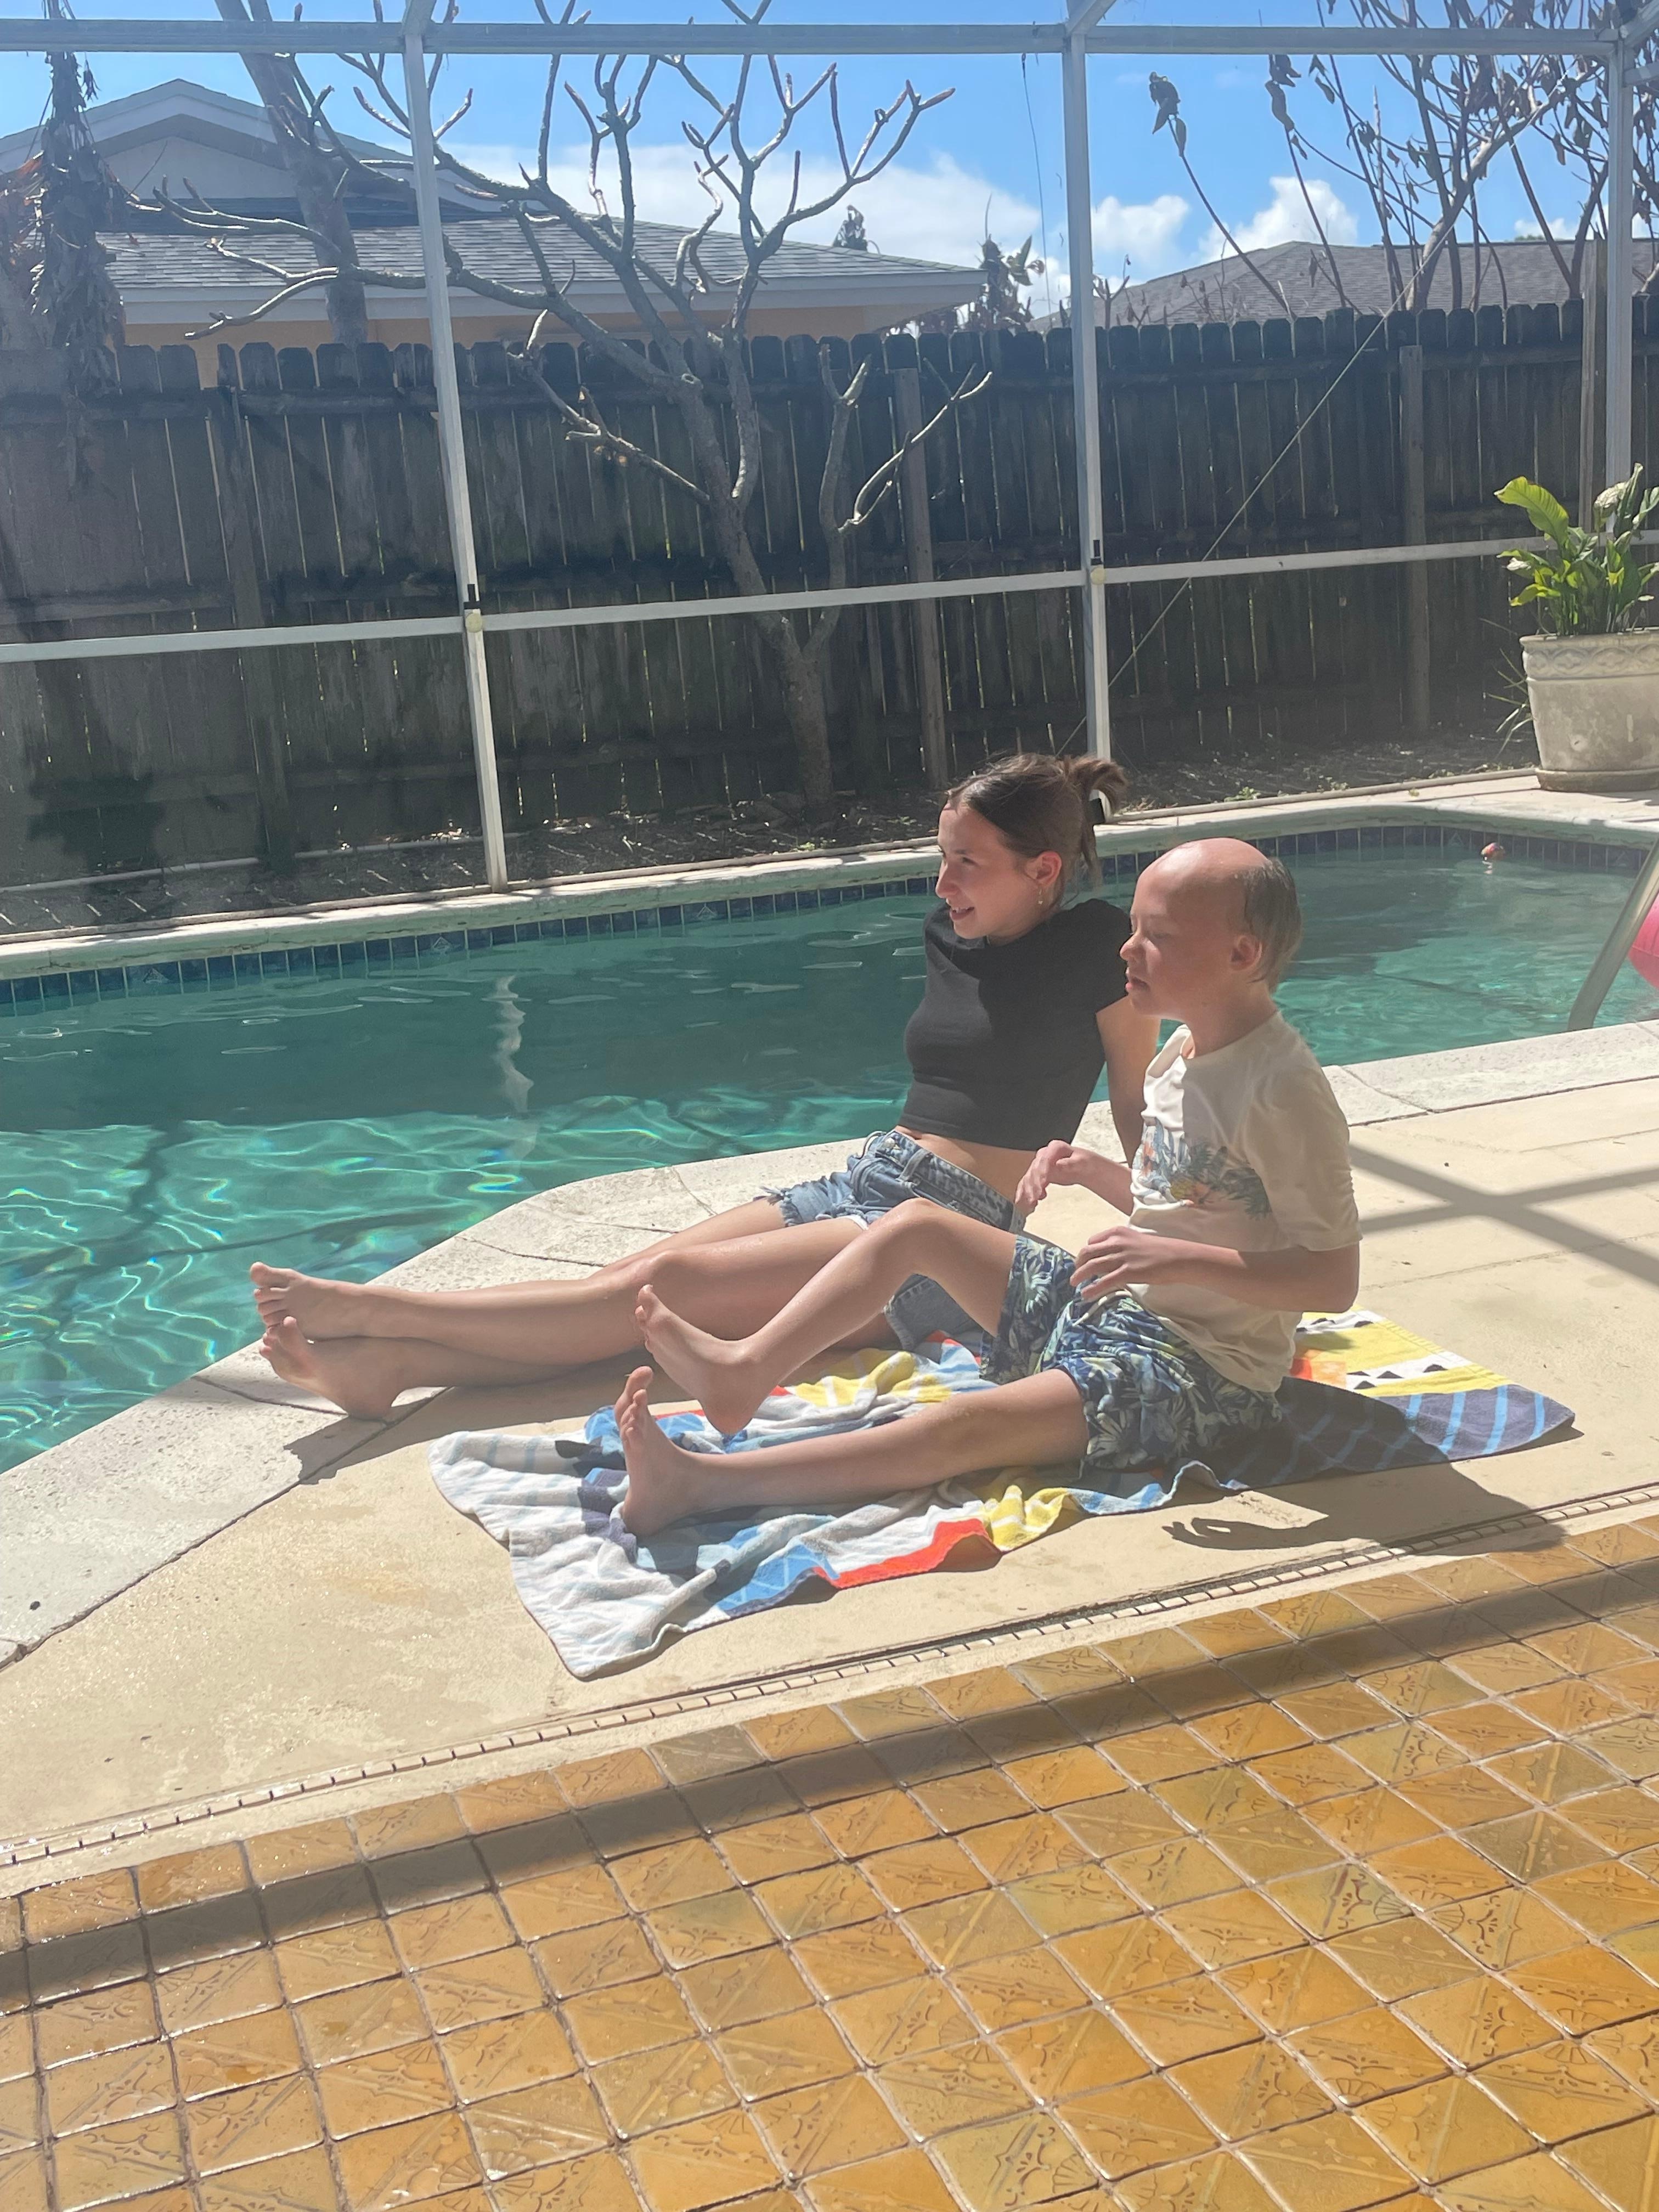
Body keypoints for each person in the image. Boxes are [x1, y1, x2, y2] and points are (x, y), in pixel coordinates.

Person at [252, 754, 1158, 1419]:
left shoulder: (1099, 949)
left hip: (943, 1239)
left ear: (1044, 870)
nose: (942, 880)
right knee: (624, 1292)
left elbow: (1134, 1101)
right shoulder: (946, 935)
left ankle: (376, 1310)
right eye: (942, 855)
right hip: (863, 1181)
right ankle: (393, 1366)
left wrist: (1167, 1217)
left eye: (968, 862)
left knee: (658, 1288)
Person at [610, 837, 1362, 1541]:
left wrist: (1169, 1262)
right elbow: (1198, 1204)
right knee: (914, 1226)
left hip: (1204, 1372)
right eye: (1133, 927)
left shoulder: (1283, 1091)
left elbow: (1333, 1277)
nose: (1127, 950)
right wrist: (1093, 1171)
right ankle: (745, 1373)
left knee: (964, 1429)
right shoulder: (1185, 1048)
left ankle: (701, 1485)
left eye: (1156, 937)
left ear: (1242, 954)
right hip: (1115, 1309)